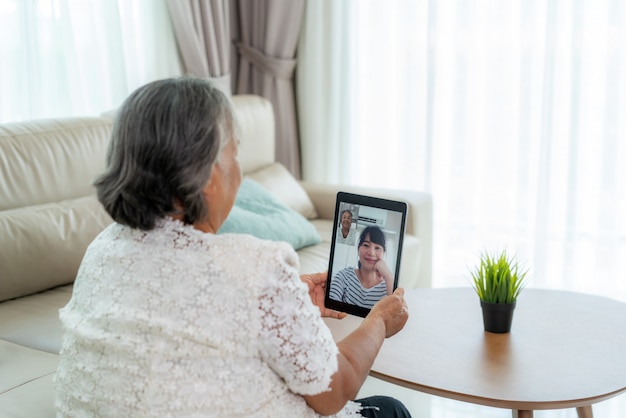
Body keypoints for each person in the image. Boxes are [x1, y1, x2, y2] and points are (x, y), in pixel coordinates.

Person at [54, 77, 411, 418]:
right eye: (235, 155)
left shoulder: (101, 249)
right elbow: (337, 389)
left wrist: (283, 302)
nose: (239, 173)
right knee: (390, 409)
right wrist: (379, 320)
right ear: (209, 178)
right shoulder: (257, 267)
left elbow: (179, 316)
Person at [329, 226, 395, 309]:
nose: (371, 253)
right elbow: (330, 307)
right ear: (358, 249)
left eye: (377, 248)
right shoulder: (344, 276)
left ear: (383, 253)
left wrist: (388, 276)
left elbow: (396, 315)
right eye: (366, 245)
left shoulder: (388, 286)